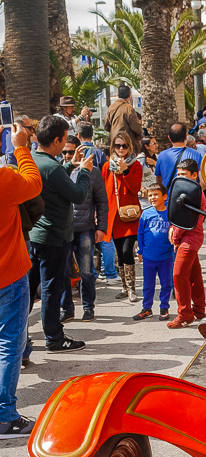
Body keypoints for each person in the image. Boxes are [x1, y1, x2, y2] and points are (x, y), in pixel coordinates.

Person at [28, 115, 92, 353]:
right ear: (56, 140)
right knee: (51, 291)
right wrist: (84, 171)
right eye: (64, 139)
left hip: (35, 235)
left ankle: (21, 338)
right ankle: (54, 338)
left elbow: (50, 182)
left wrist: (69, 165)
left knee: (29, 289)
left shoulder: (33, 159)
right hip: (54, 237)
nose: (66, 144)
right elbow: (77, 194)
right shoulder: (52, 167)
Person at [0, 121, 42, 435]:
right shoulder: (3, 179)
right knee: (10, 344)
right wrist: (21, 146)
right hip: (8, 275)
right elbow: (33, 183)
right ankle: (5, 414)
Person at [59, 135, 108, 323]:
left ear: (79, 151)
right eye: (64, 152)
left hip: (85, 228)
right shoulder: (58, 170)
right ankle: (67, 309)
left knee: (87, 271)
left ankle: (88, 307)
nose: (67, 155)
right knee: (63, 270)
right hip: (63, 229)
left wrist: (101, 227)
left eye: (71, 151)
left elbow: (102, 202)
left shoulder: (93, 172)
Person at [102, 131, 143, 303]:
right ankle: (125, 288)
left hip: (130, 215)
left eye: (124, 146)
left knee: (127, 251)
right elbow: (103, 192)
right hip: (114, 215)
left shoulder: (136, 166)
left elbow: (135, 189)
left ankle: (132, 288)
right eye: (117, 145)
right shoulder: (107, 167)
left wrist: (125, 171)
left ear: (129, 147)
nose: (120, 149)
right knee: (119, 252)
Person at [168, 159, 206, 329]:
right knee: (193, 274)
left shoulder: (191, 193)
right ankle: (198, 310)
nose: (180, 177)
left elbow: (183, 220)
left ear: (194, 175)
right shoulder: (191, 190)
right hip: (190, 237)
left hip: (188, 238)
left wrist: (175, 239)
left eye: (184, 174)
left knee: (179, 275)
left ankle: (185, 314)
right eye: (178, 174)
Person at [134, 183, 174, 321]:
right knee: (148, 284)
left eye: (156, 194)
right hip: (148, 256)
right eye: (150, 195)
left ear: (164, 196)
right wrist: (141, 250)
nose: (152, 197)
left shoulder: (170, 213)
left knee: (166, 283)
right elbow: (140, 233)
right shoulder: (146, 213)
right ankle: (147, 308)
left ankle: (164, 307)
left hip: (166, 256)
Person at [154, 123, 203, 191]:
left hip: (168, 199)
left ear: (169, 138)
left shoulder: (161, 156)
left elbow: (159, 182)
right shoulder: (196, 155)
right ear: (186, 136)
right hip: (190, 199)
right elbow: (203, 182)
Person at [105, 84, 143, 154]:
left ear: (118, 95)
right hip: (127, 143)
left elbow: (106, 125)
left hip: (114, 143)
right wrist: (140, 136)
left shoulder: (111, 107)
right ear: (129, 95)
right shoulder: (129, 108)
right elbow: (135, 126)